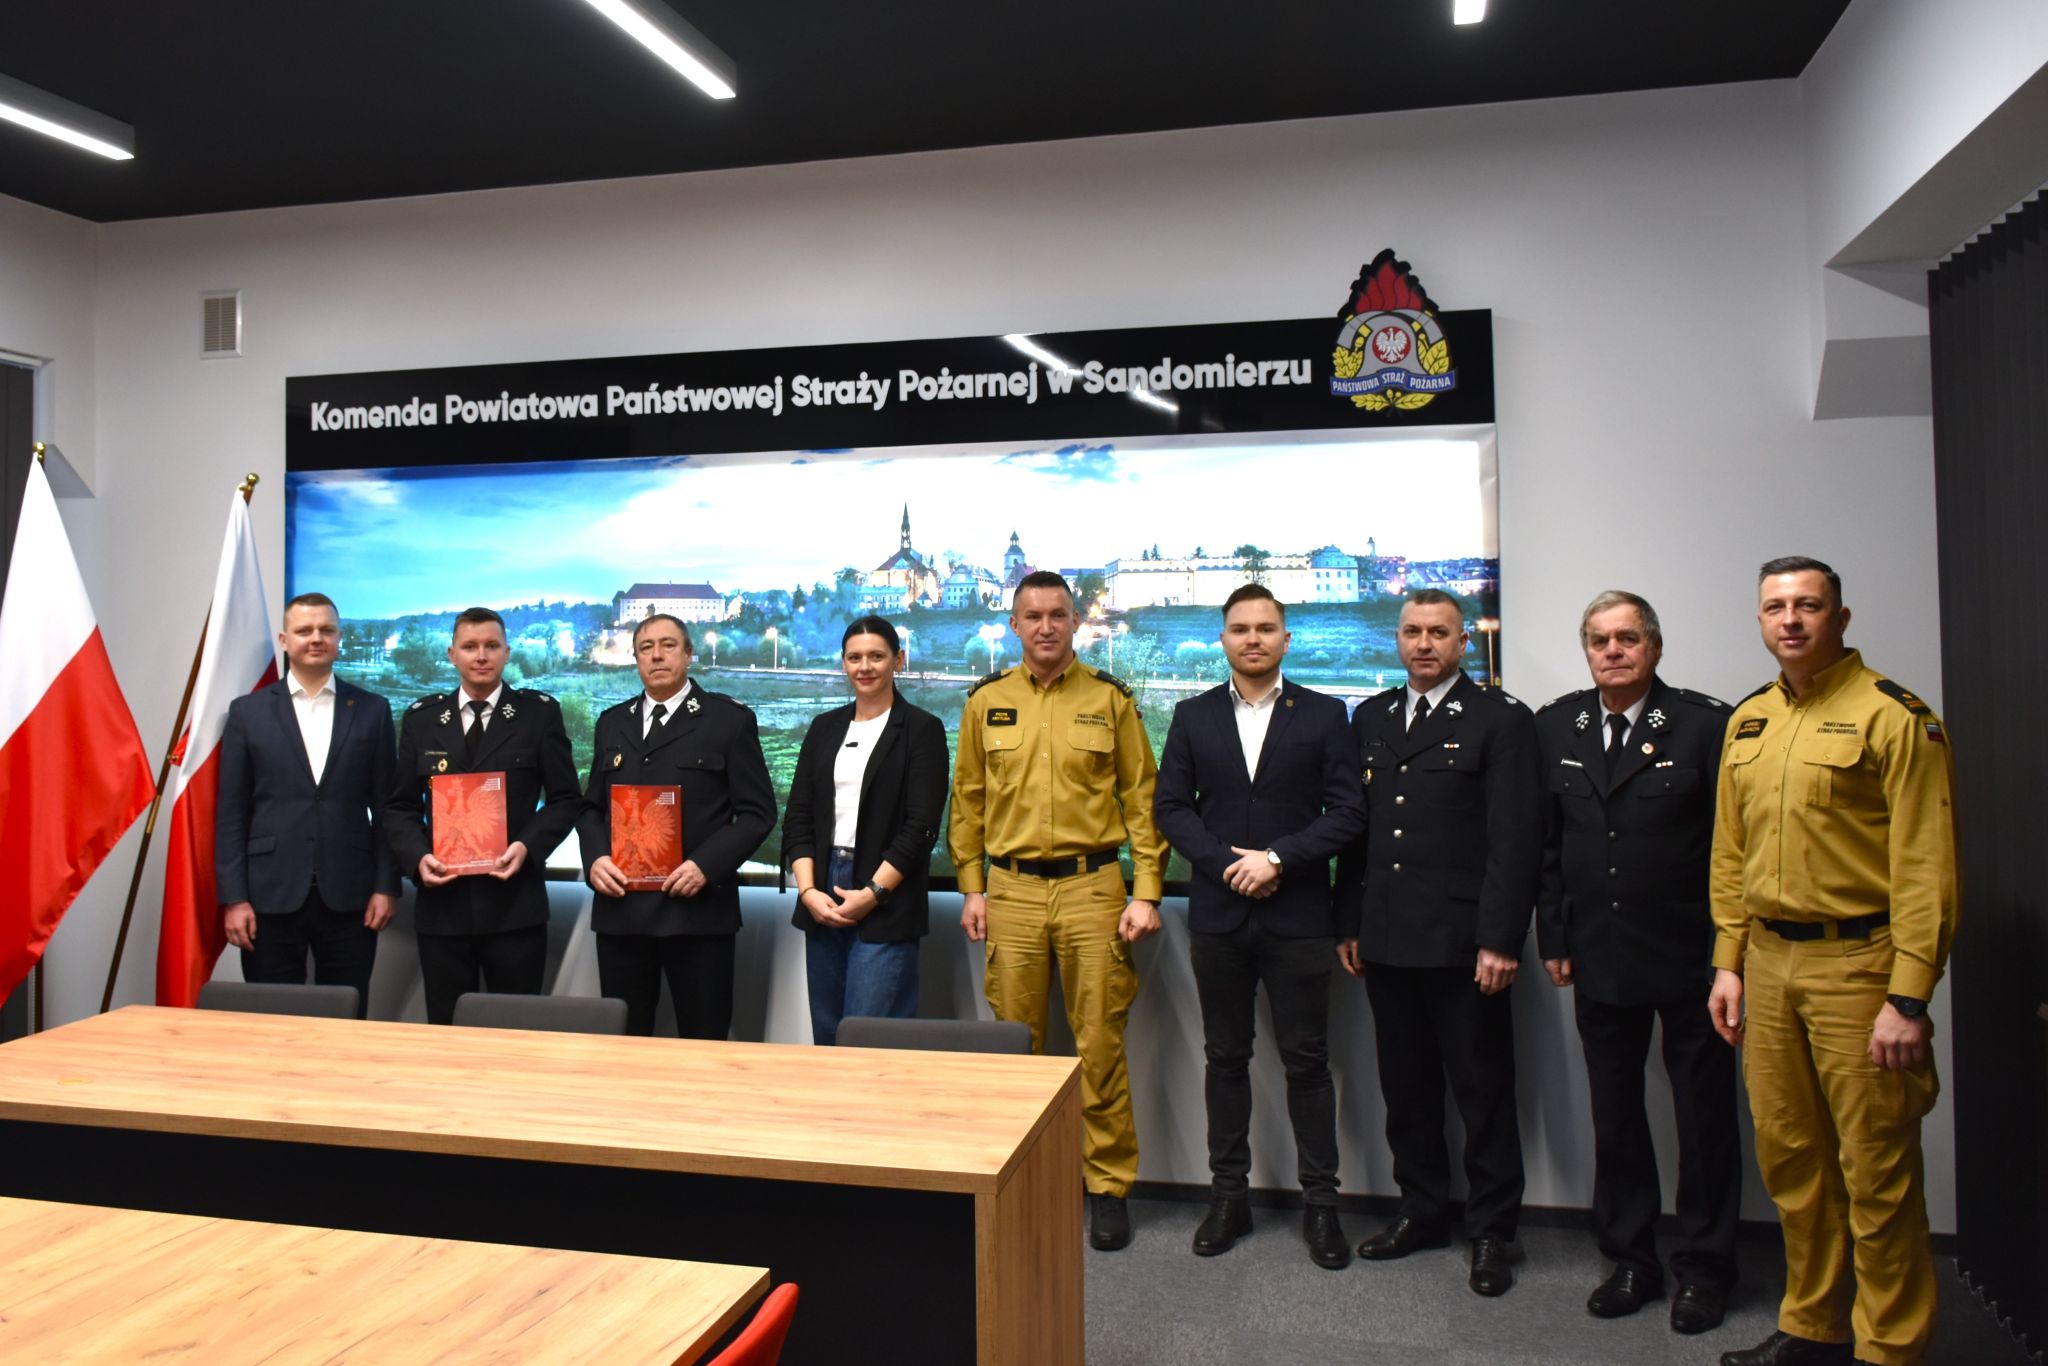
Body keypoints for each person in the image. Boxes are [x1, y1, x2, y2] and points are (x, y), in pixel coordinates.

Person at [1710, 558, 1957, 1366]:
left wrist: (1909, 997)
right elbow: (1730, 854)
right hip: (1768, 964)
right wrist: (1728, 962)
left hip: (1861, 968)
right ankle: (1812, 1325)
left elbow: (1927, 865)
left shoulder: (1894, 717)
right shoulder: (1749, 721)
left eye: (1808, 605)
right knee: (1792, 1161)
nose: (1790, 619)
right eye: (1775, 607)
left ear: (1840, 618)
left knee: (1876, 1169)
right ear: (1760, 620)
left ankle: (1889, 1347)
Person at [1535, 590, 1741, 1333]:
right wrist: (1554, 937)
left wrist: (1731, 955)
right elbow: (1549, 845)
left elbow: (1731, 848)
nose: (1613, 651)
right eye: (1599, 640)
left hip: (1692, 956)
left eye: (1627, 638)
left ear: (1654, 646)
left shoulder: (1704, 724)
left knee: (1704, 1118)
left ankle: (1705, 1270)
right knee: (1616, 1115)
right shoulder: (1558, 725)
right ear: (1586, 651)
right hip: (1600, 950)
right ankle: (1630, 1259)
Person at [949, 570, 1168, 1252]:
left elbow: (1142, 799)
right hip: (1010, 892)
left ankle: (1108, 1188)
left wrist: (1147, 890)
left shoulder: (1110, 699)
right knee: (1016, 1050)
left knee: (1098, 1047)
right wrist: (972, 886)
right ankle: (1024, 1187)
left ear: (1076, 621)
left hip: (1092, 889)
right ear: (1014, 624)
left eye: (1058, 614)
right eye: (1033, 615)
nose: (1046, 626)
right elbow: (968, 800)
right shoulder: (986, 702)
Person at [1153, 583, 1366, 1269]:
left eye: (1266, 628)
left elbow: (1348, 812)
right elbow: (1171, 809)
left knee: (1308, 1062)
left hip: (1299, 917)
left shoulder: (1325, 714)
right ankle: (1228, 1198)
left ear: (1286, 639)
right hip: (1220, 919)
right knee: (1225, 1059)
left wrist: (1276, 859)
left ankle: (1322, 1205)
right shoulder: (1192, 715)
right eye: (1240, 629)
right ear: (1223, 639)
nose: (1253, 639)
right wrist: (1228, 866)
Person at [1335, 587, 1540, 1296]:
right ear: (1397, 639)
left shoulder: (1499, 720)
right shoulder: (1372, 716)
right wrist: (1350, 921)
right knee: (1407, 1088)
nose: (1424, 644)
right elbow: (1359, 834)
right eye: (1413, 632)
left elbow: (1516, 839)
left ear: (1463, 643)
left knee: (1483, 1092)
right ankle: (1421, 1210)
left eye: (1439, 633)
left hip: (1464, 943)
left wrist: (1501, 939)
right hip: (1388, 937)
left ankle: (1492, 1231)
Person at [578, 612, 774, 1038]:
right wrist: (594, 860)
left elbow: (757, 813)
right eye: (645, 648)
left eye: (668, 645)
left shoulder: (729, 721)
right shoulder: (612, 722)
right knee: (625, 1041)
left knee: (704, 1040)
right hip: (622, 912)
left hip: (698, 912)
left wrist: (706, 865)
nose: (657, 656)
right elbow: (591, 808)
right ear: (636, 659)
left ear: (688, 654)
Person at [384, 606, 581, 1025]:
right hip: (442, 907)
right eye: (470, 646)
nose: (481, 656)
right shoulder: (422, 719)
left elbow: (565, 799)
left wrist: (527, 846)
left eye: (491, 646)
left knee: (518, 1031)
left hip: (515, 907)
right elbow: (399, 806)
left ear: (507, 652)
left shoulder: (538, 715)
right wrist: (418, 858)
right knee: (447, 1030)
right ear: (452, 654)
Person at [216, 592, 399, 1016]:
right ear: (285, 640)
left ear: (339, 638)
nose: (316, 638)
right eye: (304, 630)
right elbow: (231, 815)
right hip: (268, 896)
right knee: (271, 1020)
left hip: (352, 896)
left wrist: (386, 885)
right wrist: (234, 898)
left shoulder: (372, 710)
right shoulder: (247, 713)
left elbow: (387, 808)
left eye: (326, 630)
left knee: (347, 1014)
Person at [781, 616, 948, 1045]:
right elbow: (798, 816)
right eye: (854, 658)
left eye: (876, 656)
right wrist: (808, 892)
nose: (865, 667)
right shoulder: (824, 728)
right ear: (843, 663)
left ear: (899, 660)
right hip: (822, 891)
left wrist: (873, 894)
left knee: (869, 1040)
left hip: (886, 895)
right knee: (827, 1037)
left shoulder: (922, 729)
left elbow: (921, 828)